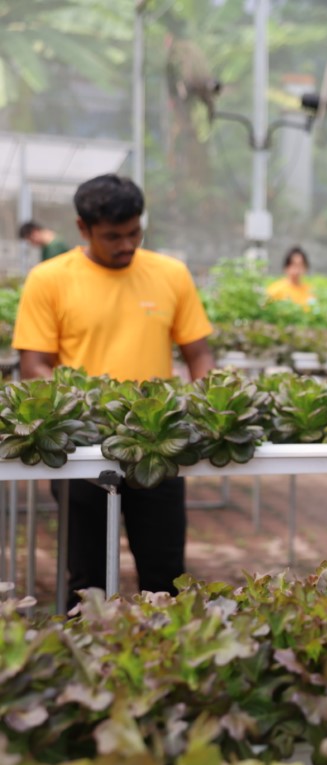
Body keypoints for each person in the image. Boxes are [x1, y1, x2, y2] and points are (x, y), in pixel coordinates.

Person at [13, 174, 215, 605]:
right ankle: (87, 662)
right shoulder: (49, 279)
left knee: (165, 577)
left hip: (157, 448)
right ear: (83, 228)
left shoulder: (170, 274)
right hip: (83, 453)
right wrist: (83, 417)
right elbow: (34, 366)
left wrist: (204, 404)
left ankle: (166, 665)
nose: (126, 245)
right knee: (87, 581)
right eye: (113, 237)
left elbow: (198, 353)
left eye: (134, 233)